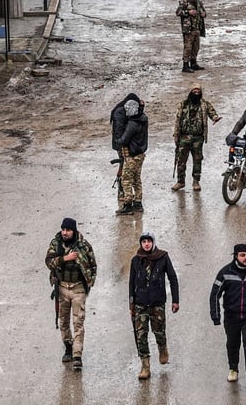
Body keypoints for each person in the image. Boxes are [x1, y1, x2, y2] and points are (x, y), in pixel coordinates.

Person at [209, 244, 246, 391]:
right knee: (233, 343)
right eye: (242, 255)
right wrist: (215, 316)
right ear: (235, 256)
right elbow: (214, 294)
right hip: (232, 315)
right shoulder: (225, 272)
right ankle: (233, 369)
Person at [45, 217, 97, 371]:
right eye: (63, 230)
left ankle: (77, 356)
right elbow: (48, 262)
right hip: (61, 288)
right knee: (63, 320)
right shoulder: (56, 243)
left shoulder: (83, 245)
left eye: (68, 230)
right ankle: (68, 346)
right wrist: (64, 258)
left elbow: (93, 265)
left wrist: (89, 283)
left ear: (73, 231)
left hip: (78, 289)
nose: (65, 233)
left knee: (78, 322)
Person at [129, 231, 179, 380]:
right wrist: (131, 304)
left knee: (159, 331)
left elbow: (173, 278)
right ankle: (145, 366)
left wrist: (175, 300)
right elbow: (131, 283)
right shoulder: (135, 260)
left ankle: (162, 348)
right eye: (143, 241)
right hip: (140, 304)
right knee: (141, 335)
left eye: (149, 241)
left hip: (157, 303)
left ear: (153, 242)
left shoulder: (163, 257)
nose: (146, 244)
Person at [171, 83, 221, 192]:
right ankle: (180, 181)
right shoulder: (183, 104)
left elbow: (212, 113)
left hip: (198, 138)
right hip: (184, 137)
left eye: (198, 90)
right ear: (190, 91)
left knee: (197, 160)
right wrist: (176, 135)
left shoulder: (204, 104)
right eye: (194, 90)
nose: (196, 92)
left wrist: (215, 118)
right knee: (181, 160)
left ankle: (196, 181)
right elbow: (177, 121)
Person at [110, 93, 142, 211]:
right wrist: (122, 144)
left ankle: (127, 196)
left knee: (129, 172)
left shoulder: (125, 111)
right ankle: (122, 194)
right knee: (125, 172)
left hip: (127, 145)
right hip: (123, 146)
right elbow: (119, 132)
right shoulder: (119, 113)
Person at [115, 99, 148, 214]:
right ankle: (138, 203)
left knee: (126, 179)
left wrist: (118, 139)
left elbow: (124, 140)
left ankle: (128, 205)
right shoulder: (143, 119)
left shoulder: (132, 124)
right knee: (137, 179)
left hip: (132, 156)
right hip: (140, 155)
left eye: (127, 109)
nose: (126, 111)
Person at [175, 0, 207, 73]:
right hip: (189, 29)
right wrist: (188, 12)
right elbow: (178, 12)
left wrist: (204, 14)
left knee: (196, 47)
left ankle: (193, 63)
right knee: (188, 48)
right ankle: (185, 66)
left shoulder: (199, 3)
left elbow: (203, 12)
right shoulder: (185, 2)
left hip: (197, 28)